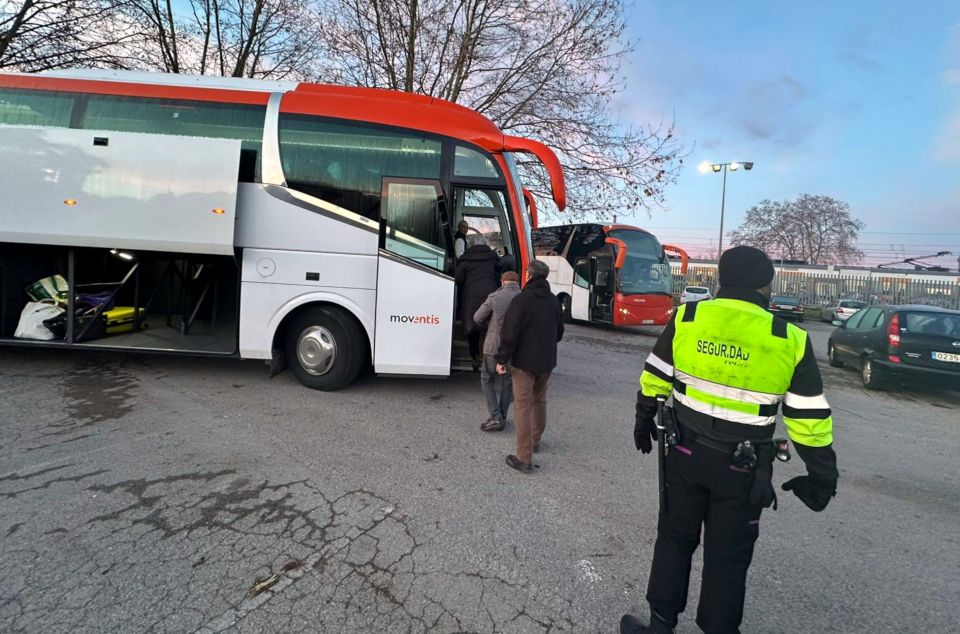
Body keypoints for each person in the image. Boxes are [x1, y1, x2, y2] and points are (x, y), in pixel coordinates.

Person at [621, 245, 838, 634]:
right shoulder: (789, 337)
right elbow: (808, 417)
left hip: (684, 452)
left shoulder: (689, 316)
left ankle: (660, 625)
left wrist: (643, 417)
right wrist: (823, 476)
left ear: (721, 279)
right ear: (766, 286)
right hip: (745, 467)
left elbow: (656, 373)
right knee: (728, 558)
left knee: (674, 537)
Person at [495, 259, 564, 472]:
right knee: (540, 401)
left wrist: (501, 360)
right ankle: (535, 440)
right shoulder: (554, 301)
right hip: (547, 361)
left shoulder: (522, 300)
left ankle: (524, 457)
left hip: (524, 362)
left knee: (522, 406)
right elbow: (559, 333)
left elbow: (509, 334)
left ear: (529, 275)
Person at [473, 271, 522, 431]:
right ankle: (502, 416)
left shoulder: (495, 297)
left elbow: (477, 317)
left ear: (502, 281)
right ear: (517, 282)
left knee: (487, 378)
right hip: (515, 348)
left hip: (495, 345)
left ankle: (495, 416)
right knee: (507, 382)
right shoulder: (524, 298)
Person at [455, 242, 501, 370]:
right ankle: (487, 357)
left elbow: (458, 279)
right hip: (490, 296)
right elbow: (499, 273)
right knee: (489, 328)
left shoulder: (466, 260)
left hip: (470, 298)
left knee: (473, 328)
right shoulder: (492, 259)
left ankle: (474, 357)